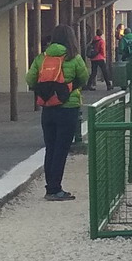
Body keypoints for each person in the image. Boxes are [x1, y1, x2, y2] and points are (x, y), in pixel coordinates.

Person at [28, 23, 90, 200]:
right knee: (61, 149)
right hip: (68, 108)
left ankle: (50, 187)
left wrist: (46, 89)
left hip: (48, 108)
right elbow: (84, 77)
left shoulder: (42, 57)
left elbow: (30, 79)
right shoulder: (74, 57)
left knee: (51, 148)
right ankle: (55, 189)